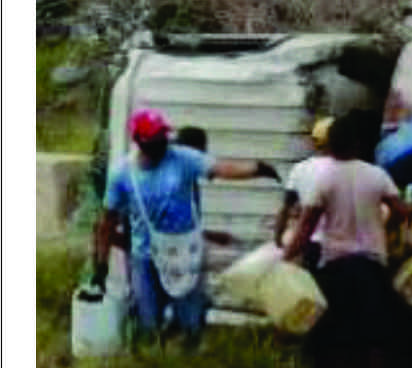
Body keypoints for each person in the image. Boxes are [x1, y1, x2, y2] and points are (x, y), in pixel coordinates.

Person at [88, 108, 279, 348]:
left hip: (185, 254)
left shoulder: (183, 159)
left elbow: (220, 169)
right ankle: (153, 364)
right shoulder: (122, 173)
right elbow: (107, 222)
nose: (163, 142)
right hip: (145, 258)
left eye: (163, 136)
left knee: (190, 321)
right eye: (157, 138)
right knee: (148, 321)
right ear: (141, 142)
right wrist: (101, 267)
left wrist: (257, 169)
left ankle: (188, 360)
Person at [282, 108, 403, 368]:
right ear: (358, 144)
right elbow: (401, 211)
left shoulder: (323, 180)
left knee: (334, 325)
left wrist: (285, 257)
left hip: (335, 262)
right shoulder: (377, 175)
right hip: (372, 261)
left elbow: (306, 227)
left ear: (329, 145)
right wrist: (385, 226)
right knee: (373, 327)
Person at [277, 117, 335, 266]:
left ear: (314, 142)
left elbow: (286, 207)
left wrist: (278, 236)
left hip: (309, 242)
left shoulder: (300, 169)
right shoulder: (351, 170)